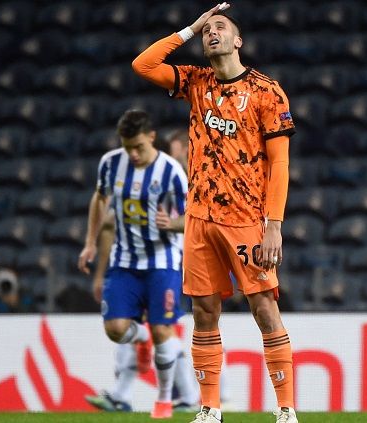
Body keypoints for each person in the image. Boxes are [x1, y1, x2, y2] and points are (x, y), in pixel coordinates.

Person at [133, 3, 298, 422]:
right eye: (207, 29)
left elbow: (280, 164)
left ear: (237, 40)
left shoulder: (266, 91)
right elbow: (144, 63)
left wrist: (273, 226)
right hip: (199, 219)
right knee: (204, 311)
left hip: (247, 220)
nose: (212, 32)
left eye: (220, 26)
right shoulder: (195, 81)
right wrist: (189, 27)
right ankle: (210, 409)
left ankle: (286, 410)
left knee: (263, 307)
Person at [78, 109, 189, 419]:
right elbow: (99, 200)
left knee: (164, 330)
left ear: (152, 138)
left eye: (139, 147)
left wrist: (173, 223)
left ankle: (165, 400)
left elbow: (194, 216)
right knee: (115, 329)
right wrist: (90, 243)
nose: (134, 154)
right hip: (124, 260)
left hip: (163, 262)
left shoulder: (171, 172)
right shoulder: (111, 164)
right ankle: (141, 339)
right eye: (128, 147)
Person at [85, 215, 200, 412]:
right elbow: (108, 223)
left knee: (160, 329)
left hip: (166, 263)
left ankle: (186, 397)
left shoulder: (172, 187)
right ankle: (186, 397)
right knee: (147, 327)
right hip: (139, 264)